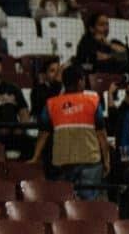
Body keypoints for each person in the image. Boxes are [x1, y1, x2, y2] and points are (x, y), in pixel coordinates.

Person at [30, 65, 109, 201]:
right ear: (80, 81)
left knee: (65, 202)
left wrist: (35, 157)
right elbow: (101, 135)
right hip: (90, 161)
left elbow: (43, 135)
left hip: (62, 162)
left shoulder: (51, 104)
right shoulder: (93, 101)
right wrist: (107, 160)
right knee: (87, 205)